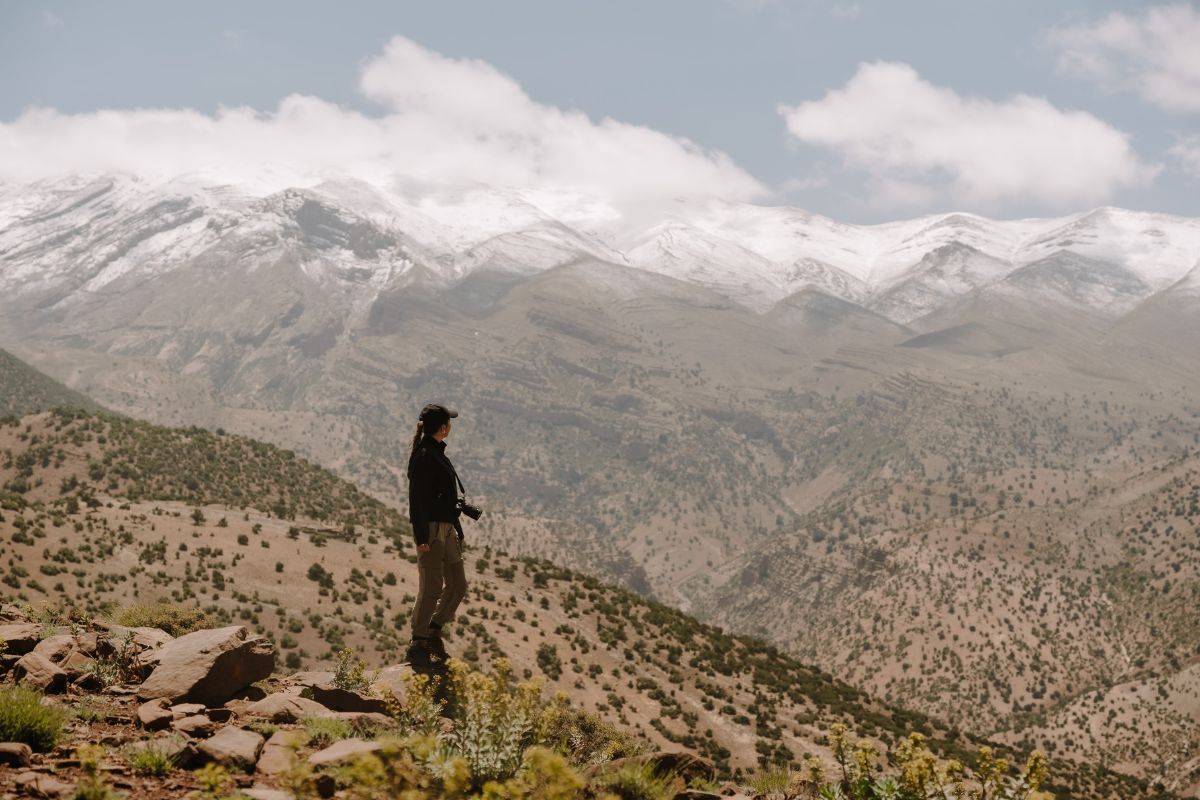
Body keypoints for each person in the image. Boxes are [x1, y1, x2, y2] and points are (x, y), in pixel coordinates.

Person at [406, 403, 468, 659]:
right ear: (443, 428)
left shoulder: (436, 452)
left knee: (457, 584)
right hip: (431, 531)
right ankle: (418, 642)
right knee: (431, 587)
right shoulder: (423, 456)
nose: (451, 426)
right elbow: (416, 500)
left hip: (446, 529)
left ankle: (434, 630)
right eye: (449, 423)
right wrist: (422, 537)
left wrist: (456, 525)